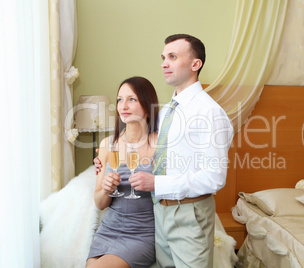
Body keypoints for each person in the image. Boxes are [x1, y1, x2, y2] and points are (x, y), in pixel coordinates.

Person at [94, 34, 234, 267]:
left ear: (195, 64)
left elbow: (215, 177)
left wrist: (156, 184)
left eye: (172, 56)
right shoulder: (167, 111)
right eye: (163, 57)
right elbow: (143, 147)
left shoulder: (210, 112)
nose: (164, 63)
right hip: (160, 214)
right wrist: (101, 161)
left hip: (189, 212)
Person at [87, 76, 159, 268]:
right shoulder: (107, 145)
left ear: (147, 104)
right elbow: (100, 203)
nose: (123, 106)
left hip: (143, 233)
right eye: (120, 99)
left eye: (132, 99)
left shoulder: (161, 144)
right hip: (109, 229)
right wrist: (106, 189)